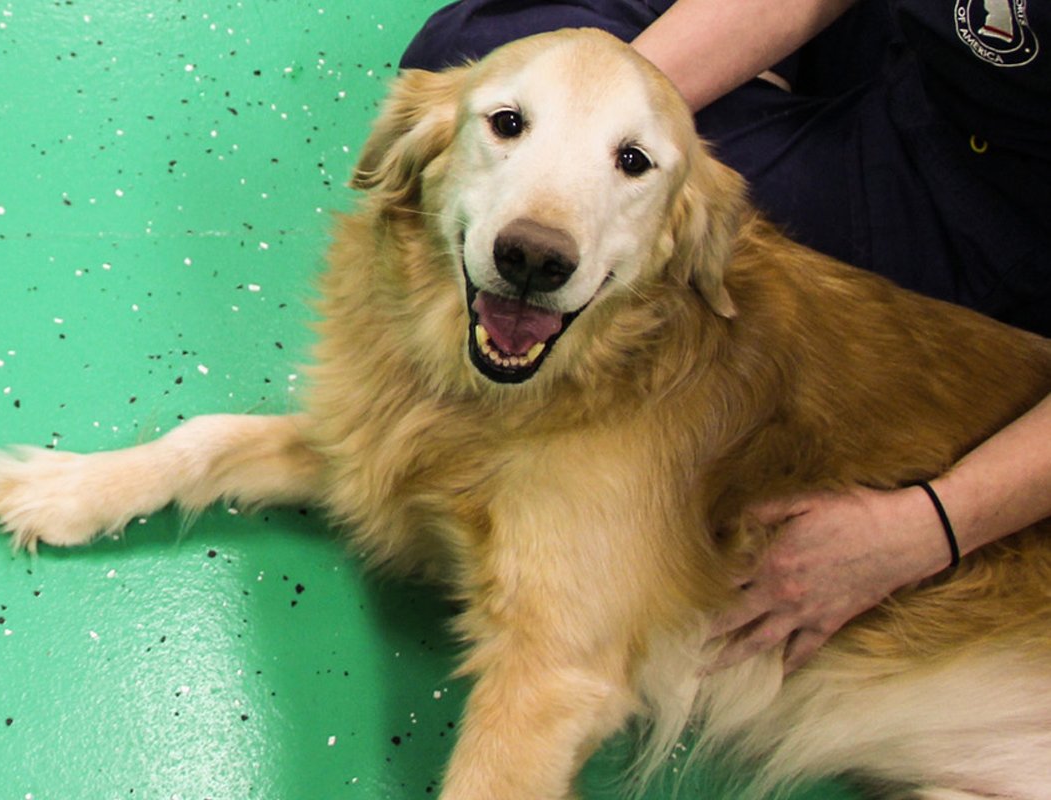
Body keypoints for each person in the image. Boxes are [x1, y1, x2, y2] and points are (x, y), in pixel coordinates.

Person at [399, 0, 1051, 671]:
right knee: (474, 51)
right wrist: (610, 128)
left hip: (978, 206)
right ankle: (773, 91)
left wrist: (933, 525)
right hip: (905, 48)